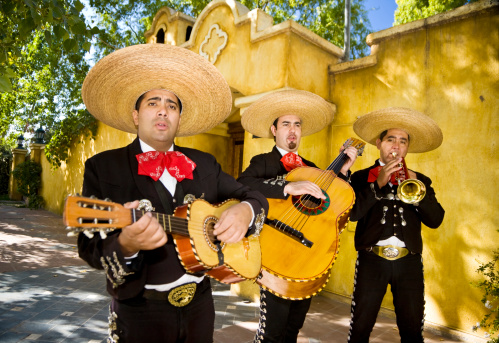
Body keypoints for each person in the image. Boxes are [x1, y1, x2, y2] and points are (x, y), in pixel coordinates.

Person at [77, 43, 268, 343]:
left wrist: (245, 212)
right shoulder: (104, 168)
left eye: (172, 105)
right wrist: (125, 244)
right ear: (136, 115)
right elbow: (89, 248)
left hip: (201, 307)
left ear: (179, 118)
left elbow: (254, 196)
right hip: (139, 312)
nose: (164, 109)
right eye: (153, 102)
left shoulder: (205, 163)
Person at [237, 89, 358, 343]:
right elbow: (243, 183)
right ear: (274, 130)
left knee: (293, 328)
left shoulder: (312, 168)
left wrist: (343, 173)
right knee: (272, 331)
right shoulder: (264, 161)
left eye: (297, 124)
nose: (292, 130)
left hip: (305, 253)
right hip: (275, 248)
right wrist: (286, 187)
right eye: (285, 124)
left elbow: (336, 205)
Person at [347, 107, 445, 343]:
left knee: (412, 330)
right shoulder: (360, 178)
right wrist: (377, 186)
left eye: (403, 141)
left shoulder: (419, 179)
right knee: (360, 328)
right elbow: (352, 214)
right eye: (391, 139)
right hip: (372, 260)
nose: (397, 146)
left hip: (409, 262)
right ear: (379, 143)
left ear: (407, 147)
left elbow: (436, 220)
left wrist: (417, 190)